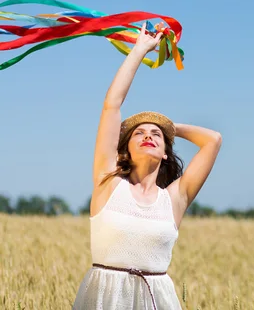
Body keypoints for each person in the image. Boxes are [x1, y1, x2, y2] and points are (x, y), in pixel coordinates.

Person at [72, 23, 222, 309]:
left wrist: (168, 127)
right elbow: (112, 106)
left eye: (156, 136)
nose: (148, 136)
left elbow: (213, 140)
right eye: (138, 133)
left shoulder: (175, 199)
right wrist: (140, 50)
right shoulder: (108, 183)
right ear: (124, 149)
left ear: (166, 152)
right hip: (105, 300)